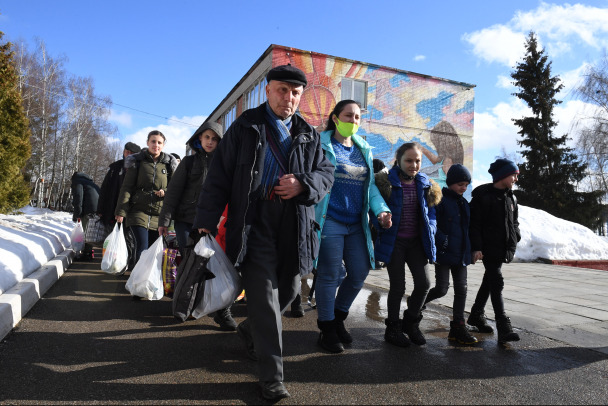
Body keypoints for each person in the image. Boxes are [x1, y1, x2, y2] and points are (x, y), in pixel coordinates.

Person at [192, 65, 334, 401]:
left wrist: (303, 183)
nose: (289, 98)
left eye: (295, 92)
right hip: (254, 221)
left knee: (287, 291)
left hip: (293, 223)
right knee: (267, 300)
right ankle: (272, 377)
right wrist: (206, 219)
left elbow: (326, 173)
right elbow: (219, 179)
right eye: (282, 90)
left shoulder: (309, 134)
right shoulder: (245, 127)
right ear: (268, 91)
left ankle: (248, 329)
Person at [314, 99, 392, 354]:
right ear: (335, 118)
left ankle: (338, 318)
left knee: (359, 272)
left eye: (357, 117)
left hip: (357, 223)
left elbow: (370, 187)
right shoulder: (320, 143)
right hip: (330, 220)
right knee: (328, 275)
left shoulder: (364, 148)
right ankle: (326, 328)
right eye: (348, 116)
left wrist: (381, 211)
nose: (353, 121)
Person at [157, 122, 237, 331]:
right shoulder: (189, 163)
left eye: (215, 138)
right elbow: (173, 193)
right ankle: (188, 303)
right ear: (199, 140)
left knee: (217, 266)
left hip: (215, 224)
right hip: (186, 221)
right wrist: (164, 221)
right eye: (206, 137)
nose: (210, 142)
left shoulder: (227, 165)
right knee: (191, 263)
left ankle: (221, 310)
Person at [374, 142, 442, 347]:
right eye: (409, 160)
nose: (414, 165)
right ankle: (392, 328)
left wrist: (431, 228)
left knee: (424, 284)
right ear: (399, 160)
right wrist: (380, 219)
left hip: (416, 243)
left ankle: (411, 323)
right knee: (398, 287)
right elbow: (374, 207)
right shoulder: (385, 182)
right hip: (395, 242)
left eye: (417, 161)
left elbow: (431, 213)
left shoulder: (425, 183)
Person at [467, 158, 521, 344]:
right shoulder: (483, 197)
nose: (516, 178)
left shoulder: (511, 198)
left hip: (502, 248)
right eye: (514, 174)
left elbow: (514, 222)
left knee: (489, 282)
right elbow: (474, 225)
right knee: (496, 282)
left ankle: (476, 314)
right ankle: (503, 326)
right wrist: (477, 247)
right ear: (503, 175)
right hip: (488, 249)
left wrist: (516, 237)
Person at [423, 164, 478, 345]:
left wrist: (473, 249)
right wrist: (442, 241)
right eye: (461, 184)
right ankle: (418, 303)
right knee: (442, 288)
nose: (464, 188)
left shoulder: (464, 204)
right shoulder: (441, 201)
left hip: (461, 255)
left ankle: (458, 327)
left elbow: (470, 229)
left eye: (466, 185)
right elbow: (433, 224)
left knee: (462, 289)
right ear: (452, 183)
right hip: (445, 254)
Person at [115, 130, 178, 268]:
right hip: (138, 212)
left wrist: (165, 192)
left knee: (154, 251)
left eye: (159, 142)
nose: (156, 145)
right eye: (153, 141)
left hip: (159, 215)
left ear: (163, 145)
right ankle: (138, 281)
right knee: (142, 248)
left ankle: (148, 282)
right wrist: (121, 211)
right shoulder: (137, 161)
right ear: (147, 142)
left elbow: (175, 189)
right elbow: (127, 187)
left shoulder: (169, 164)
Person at [97, 142, 141, 228]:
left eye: (131, 153)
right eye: (126, 151)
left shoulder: (141, 169)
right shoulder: (115, 167)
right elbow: (105, 188)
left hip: (132, 211)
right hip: (112, 208)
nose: (128, 154)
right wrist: (100, 208)